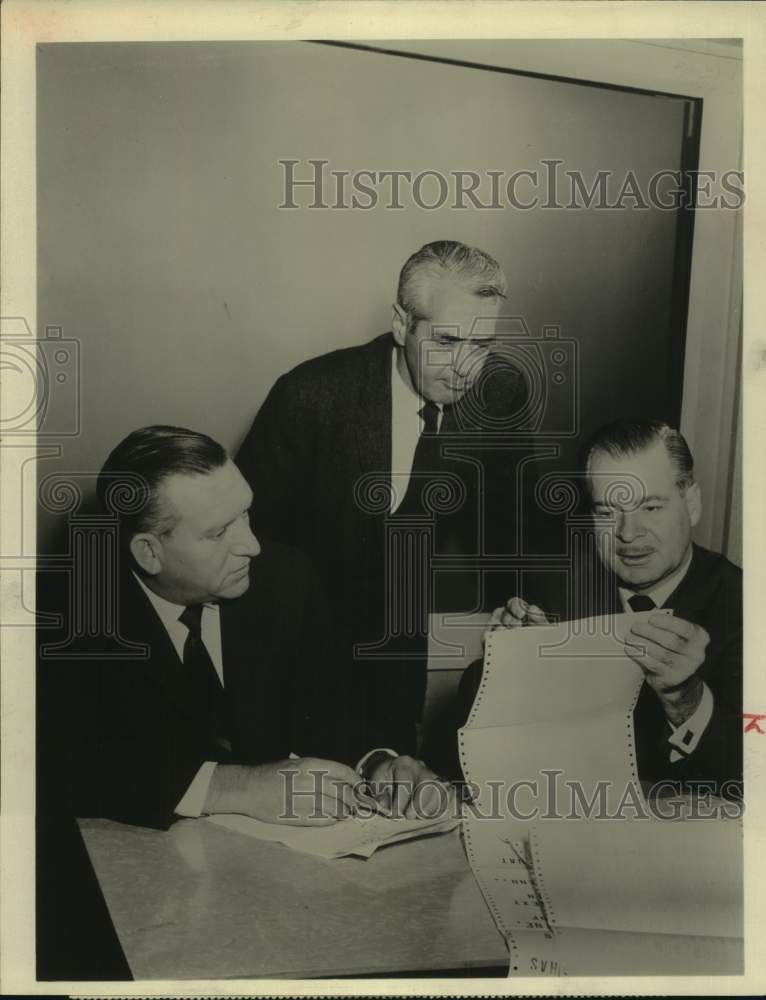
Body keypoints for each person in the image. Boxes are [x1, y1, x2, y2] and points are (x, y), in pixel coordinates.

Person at [37, 426, 444, 834]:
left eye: (245, 514)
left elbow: (329, 709)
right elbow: (63, 763)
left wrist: (377, 763)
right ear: (149, 552)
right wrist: (236, 789)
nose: (252, 545)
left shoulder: (286, 579)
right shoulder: (63, 616)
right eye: (217, 533)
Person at [236, 240, 530, 756]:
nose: (465, 367)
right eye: (445, 341)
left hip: (397, 652)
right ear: (401, 324)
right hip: (288, 651)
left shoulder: (499, 396)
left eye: (481, 344)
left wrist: (520, 600)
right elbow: (249, 545)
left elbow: (510, 522)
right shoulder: (309, 396)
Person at [467, 418, 742, 796]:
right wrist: (511, 669)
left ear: (691, 504)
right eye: (607, 512)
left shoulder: (744, 606)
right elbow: (465, 740)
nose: (628, 533)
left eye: (650, 507)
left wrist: (687, 700)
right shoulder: (557, 590)